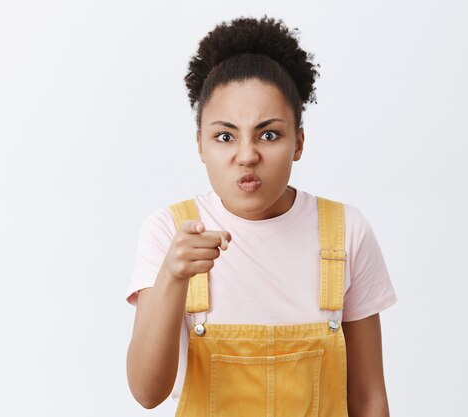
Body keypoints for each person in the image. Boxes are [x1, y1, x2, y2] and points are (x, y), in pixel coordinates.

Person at [125, 15, 397, 416]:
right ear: (200, 144)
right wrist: (172, 275)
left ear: (298, 142)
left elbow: (368, 397)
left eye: (269, 134)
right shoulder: (169, 232)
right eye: (225, 136)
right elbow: (147, 393)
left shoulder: (346, 232)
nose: (247, 155)